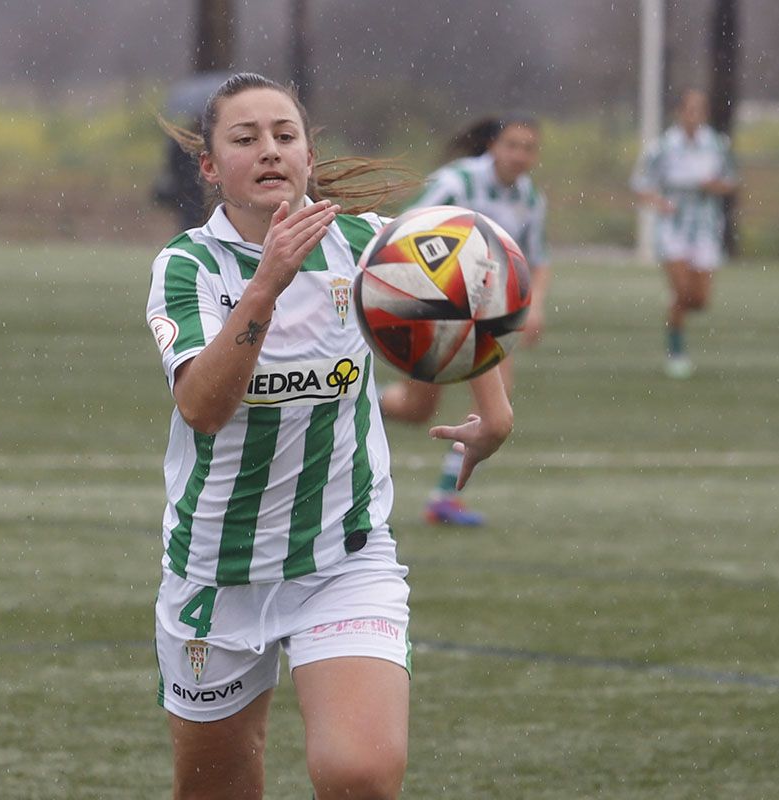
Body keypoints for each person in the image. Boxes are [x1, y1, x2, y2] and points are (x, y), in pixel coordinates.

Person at [145, 72, 513, 799]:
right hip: (216, 572)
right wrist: (266, 287)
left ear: (310, 154)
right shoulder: (187, 266)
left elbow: (464, 289)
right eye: (246, 139)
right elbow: (203, 408)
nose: (271, 150)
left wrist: (494, 409)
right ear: (212, 167)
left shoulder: (365, 247)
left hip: (342, 557)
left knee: (361, 774)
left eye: (286, 135)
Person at [378, 114, 550, 527]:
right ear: (493, 147)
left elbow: (537, 261)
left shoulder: (529, 198)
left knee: (496, 400)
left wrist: (535, 305)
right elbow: (404, 229)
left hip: (487, 311)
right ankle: (355, 397)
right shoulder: (457, 183)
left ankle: (444, 498)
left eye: (528, 148)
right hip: (434, 306)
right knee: (417, 407)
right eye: (512, 145)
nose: (520, 155)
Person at [631, 88, 739, 379]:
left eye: (700, 109)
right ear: (679, 112)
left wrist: (713, 186)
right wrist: (660, 202)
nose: (695, 115)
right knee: (682, 291)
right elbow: (640, 185)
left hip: (706, 227)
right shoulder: (664, 147)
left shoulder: (716, 145)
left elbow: (731, 181)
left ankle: (674, 311)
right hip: (673, 228)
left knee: (699, 301)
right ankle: (676, 350)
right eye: (689, 109)